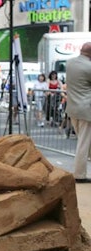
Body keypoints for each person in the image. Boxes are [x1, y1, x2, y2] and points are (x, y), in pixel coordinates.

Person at [65, 42, 91, 183]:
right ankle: (79, 174)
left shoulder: (70, 63)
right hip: (87, 109)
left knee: (86, 141)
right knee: (84, 143)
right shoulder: (89, 67)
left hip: (73, 108)